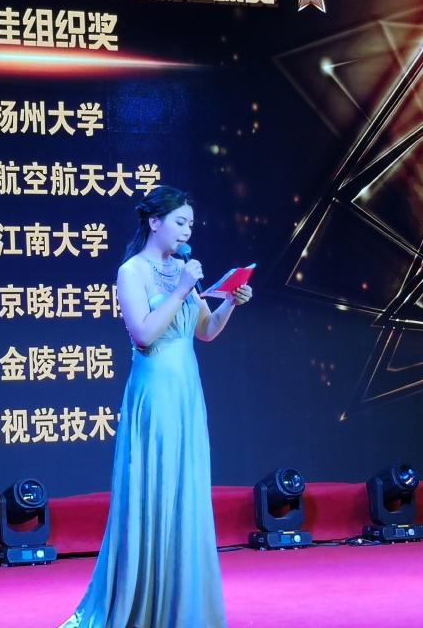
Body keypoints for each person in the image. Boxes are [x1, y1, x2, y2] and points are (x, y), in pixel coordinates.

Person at [60, 186, 252, 628]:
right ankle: (141, 603)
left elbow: (205, 331)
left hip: (187, 394)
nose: (187, 231)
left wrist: (228, 303)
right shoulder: (133, 271)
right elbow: (144, 335)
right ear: (155, 222)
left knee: (185, 494)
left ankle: (181, 608)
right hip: (155, 394)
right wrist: (182, 290)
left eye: (191, 224)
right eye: (180, 222)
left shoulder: (183, 271)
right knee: (155, 491)